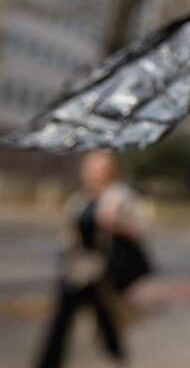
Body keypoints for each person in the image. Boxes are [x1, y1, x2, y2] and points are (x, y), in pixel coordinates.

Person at [34, 151, 153, 368]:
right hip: (77, 269)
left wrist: (116, 223)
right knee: (60, 321)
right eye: (91, 167)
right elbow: (69, 231)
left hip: (102, 270)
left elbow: (140, 230)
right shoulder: (80, 198)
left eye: (101, 167)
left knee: (106, 320)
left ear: (112, 170)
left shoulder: (120, 195)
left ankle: (117, 357)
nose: (94, 172)